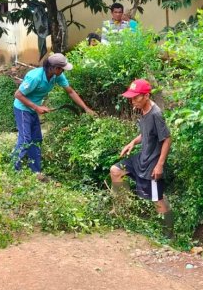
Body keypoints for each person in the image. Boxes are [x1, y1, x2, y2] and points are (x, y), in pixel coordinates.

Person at [12, 53, 96, 179]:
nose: (62, 71)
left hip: (33, 109)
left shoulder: (57, 76)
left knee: (36, 140)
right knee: (25, 139)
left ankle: (36, 172)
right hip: (23, 109)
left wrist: (86, 108)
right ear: (52, 67)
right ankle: (13, 170)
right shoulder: (35, 77)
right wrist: (37, 107)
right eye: (61, 69)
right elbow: (18, 94)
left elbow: (71, 92)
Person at [110, 79, 174, 238]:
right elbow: (146, 133)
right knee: (116, 170)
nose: (132, 101)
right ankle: (123, 209)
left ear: (146, 96)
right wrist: (132, 142)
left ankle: (169, 235)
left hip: (152, 163)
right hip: (141, 158)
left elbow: (167, 139)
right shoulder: (143, 110)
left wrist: (159, 165)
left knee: (157, 199)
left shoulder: (156, 114)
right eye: (131, 98)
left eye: (136, 97)